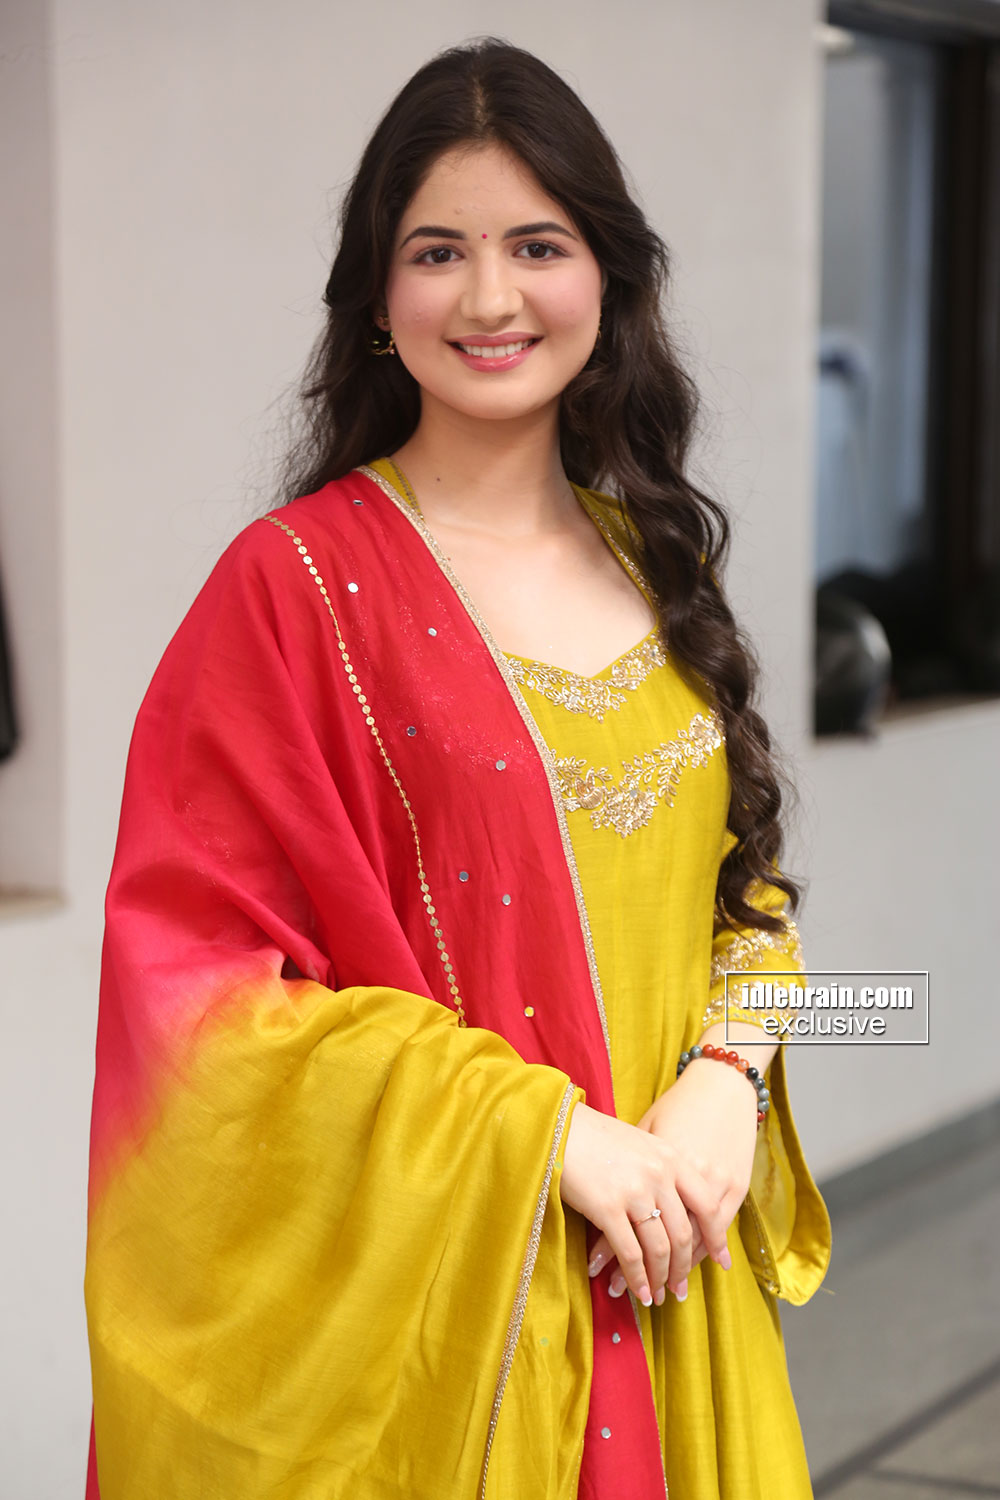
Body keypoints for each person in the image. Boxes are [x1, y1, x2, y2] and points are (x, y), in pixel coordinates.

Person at [84, 36, 831, 1500]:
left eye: (537, 245)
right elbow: (198, 1003)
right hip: (461, 1337)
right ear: (378, 297)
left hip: (678, 1285)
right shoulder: (295, 588)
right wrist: (541, 1137)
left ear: (607, 276)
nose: (490, 299)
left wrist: (731, 1078)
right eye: (438, 252)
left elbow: (749, 907)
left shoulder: (656, 563)